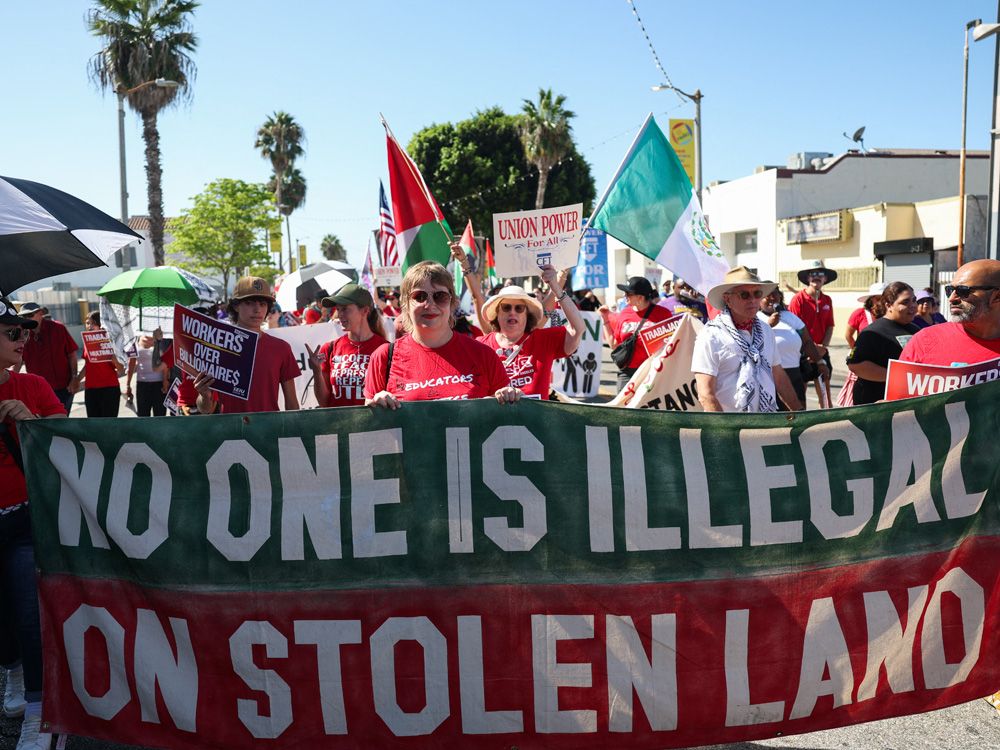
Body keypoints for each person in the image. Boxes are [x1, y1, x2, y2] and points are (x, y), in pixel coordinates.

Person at [0, 295, 66, 750]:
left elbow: (72, 452)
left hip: (27, 519)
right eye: (11, 333)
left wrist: (33, 428)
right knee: (4, 619)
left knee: (29, 616)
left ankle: (42, 714)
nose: (24, 339)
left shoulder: (35, 386)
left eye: (25, 331)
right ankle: (14, 673)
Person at [364, 262, 518, 407]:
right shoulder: (383, 357)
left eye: (440, 297)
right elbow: (370, 427)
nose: (430, 305)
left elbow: (506, 421)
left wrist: (509, 397)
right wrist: (376, 407)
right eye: (419, 297)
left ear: (452, 303)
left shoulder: (483, 355)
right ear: (405, 303)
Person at [692, 267, 802, 413]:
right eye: (744, 295)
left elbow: (779, 376)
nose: (752, 300)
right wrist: (727, 431)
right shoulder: (711, 335)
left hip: (765, 423)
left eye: (757, 294)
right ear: (727, 299)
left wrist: (799, 412)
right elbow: (706, 394)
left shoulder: (765, 330)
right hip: (731, 428)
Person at [195, 277, 301, 414]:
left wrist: (294, 430)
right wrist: (204, 395)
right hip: (230, 431)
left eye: (263, 304)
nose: (257, 310)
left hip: (270, 432)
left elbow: (292, 403)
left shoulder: (281, 348)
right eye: (250, 303)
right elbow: (205, 409)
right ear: (235, 306)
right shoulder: (217, 347)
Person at [900, 259, 1000, 366]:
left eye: (962, 290)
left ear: (997, 296)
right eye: (949, 290)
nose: (951, 298)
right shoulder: (924, 341)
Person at [306, 284, 387, 408]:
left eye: (344, 309)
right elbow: (324, 402)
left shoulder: (385, 349)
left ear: (365, 310)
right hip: (338, 425)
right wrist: (317, 371)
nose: (339, 315)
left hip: (375, 426)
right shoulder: (330, 348)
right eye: (338, 309)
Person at [846, 282, 918, 405]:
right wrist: (896, 377)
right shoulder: (872, 332)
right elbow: (856, 365)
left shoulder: (917, 330)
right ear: (889, 305)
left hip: (906, 404)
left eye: (914, 300)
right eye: (905, 302)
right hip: (875, 406)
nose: (912, 305)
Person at [599, 277, 672, 391]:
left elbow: (672, 343)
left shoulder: (663, 314)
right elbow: (614, 344)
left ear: (640, 297)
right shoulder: (624, 313)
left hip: (654, 373)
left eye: (628, 293)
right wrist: (605, 320)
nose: (625, 296)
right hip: (628, 373)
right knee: (623, 408)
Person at [758, 290, 828, 410]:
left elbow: (807, 342)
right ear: (758, 300)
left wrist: (820, 362)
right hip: (768, 375)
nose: (771, 298)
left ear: (780, 296)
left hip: (794, 373)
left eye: (775, 294)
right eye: (766, 295)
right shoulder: (755, 318)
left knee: (798, 413)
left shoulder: (790, 317)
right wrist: (769, 326)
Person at [16, 302, 79, 414]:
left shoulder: (58, 328)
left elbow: (72, 354)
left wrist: (75, 378)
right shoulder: (22, 334)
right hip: (36, 390)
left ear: (40, 313)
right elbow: (18, 360)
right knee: (42, 425)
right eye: (23, 316)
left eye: (29, 315)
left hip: (63, 388)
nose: (26, 319)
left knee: (60, 423)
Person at [788, 260, 836, 404]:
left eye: (820, 274)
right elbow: (793, 328)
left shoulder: (827, 300)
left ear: (825, 279)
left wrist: (823, 347)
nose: (816, 277)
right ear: (807, 278)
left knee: (825, 395)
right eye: (812, 274)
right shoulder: (798, 299)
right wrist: (809, 349)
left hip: (821, 350)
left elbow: (829, 326)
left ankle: (827, 423)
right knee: (799, 394)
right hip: (802, 352)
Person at [75, 311, 125, 418]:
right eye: (88, 323)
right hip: (91, 390)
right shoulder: (87, 343)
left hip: (110, 389)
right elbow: (87, 366)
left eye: (93, 323)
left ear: (100, 324)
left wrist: (114, 359)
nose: (90, 326)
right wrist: (77, 379)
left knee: (108, 424)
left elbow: (121, 369)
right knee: (94, 424)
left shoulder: (111, 342)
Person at [125, 334, 169, 417]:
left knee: (160, 415)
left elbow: (166, 361)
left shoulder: (161, 338)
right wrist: (128, 384)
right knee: (143, 415)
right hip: (142, 384)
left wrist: (165, 380)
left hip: (159, 384)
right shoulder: (135, 338)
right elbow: (131, 363)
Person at [845, 282, 886, 347]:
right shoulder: (859, 313)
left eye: (884, 299)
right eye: (878, 299)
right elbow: (848, 335)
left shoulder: (891, 315)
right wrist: (856, 350)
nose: (880, 302)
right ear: (871, 299)